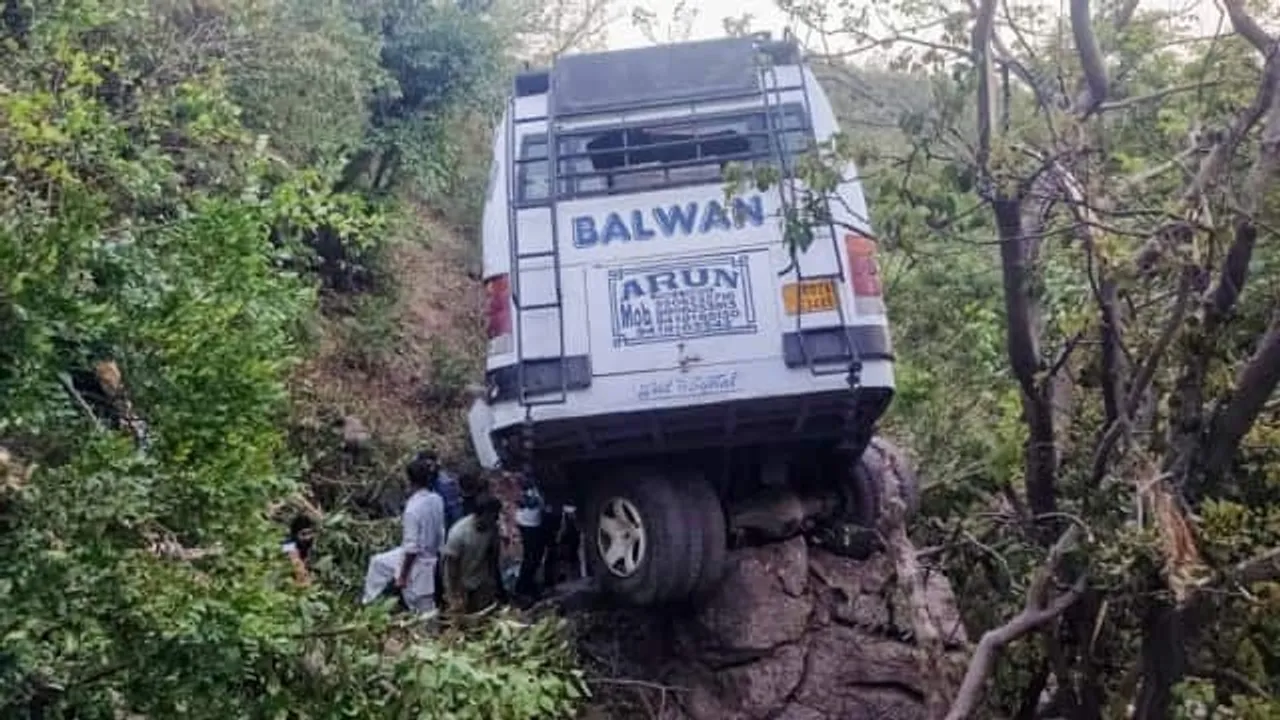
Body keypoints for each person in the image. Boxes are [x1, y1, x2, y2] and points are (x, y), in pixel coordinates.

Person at [361, 452, 446, 614]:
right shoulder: (437, 499)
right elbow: (440, 532)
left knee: (422, 609)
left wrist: (402, 577)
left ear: (410, 481)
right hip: (432, 553)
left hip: (419, 563)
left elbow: (412, 549)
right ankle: (369, 604)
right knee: (378, 563)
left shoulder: (412, 509)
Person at [441, 493, 506, 614]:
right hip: (460, 580)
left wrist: (492, 579)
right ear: (482, 515)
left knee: (482, 614)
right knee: (461, 616)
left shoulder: (492, 528)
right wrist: (454, 593)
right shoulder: (459, 533)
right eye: (493, 515)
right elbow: (451, 566)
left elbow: (492, 553)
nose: (496, 518)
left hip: (480, 579)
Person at [513, 473, 547, 600]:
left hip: (532, 522)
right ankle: (522, 587)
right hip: (528, 523)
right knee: (531, 557)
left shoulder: (533, 486)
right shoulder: (528, 482)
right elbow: (526, 500)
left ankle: (527, 585)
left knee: (535, 556)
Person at [282, 514, 316, 587]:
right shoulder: (288, 543)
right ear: (295, 534)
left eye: (310, 533)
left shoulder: (314, 541)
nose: (308, 537)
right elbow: (296, 563)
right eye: (303, 534)